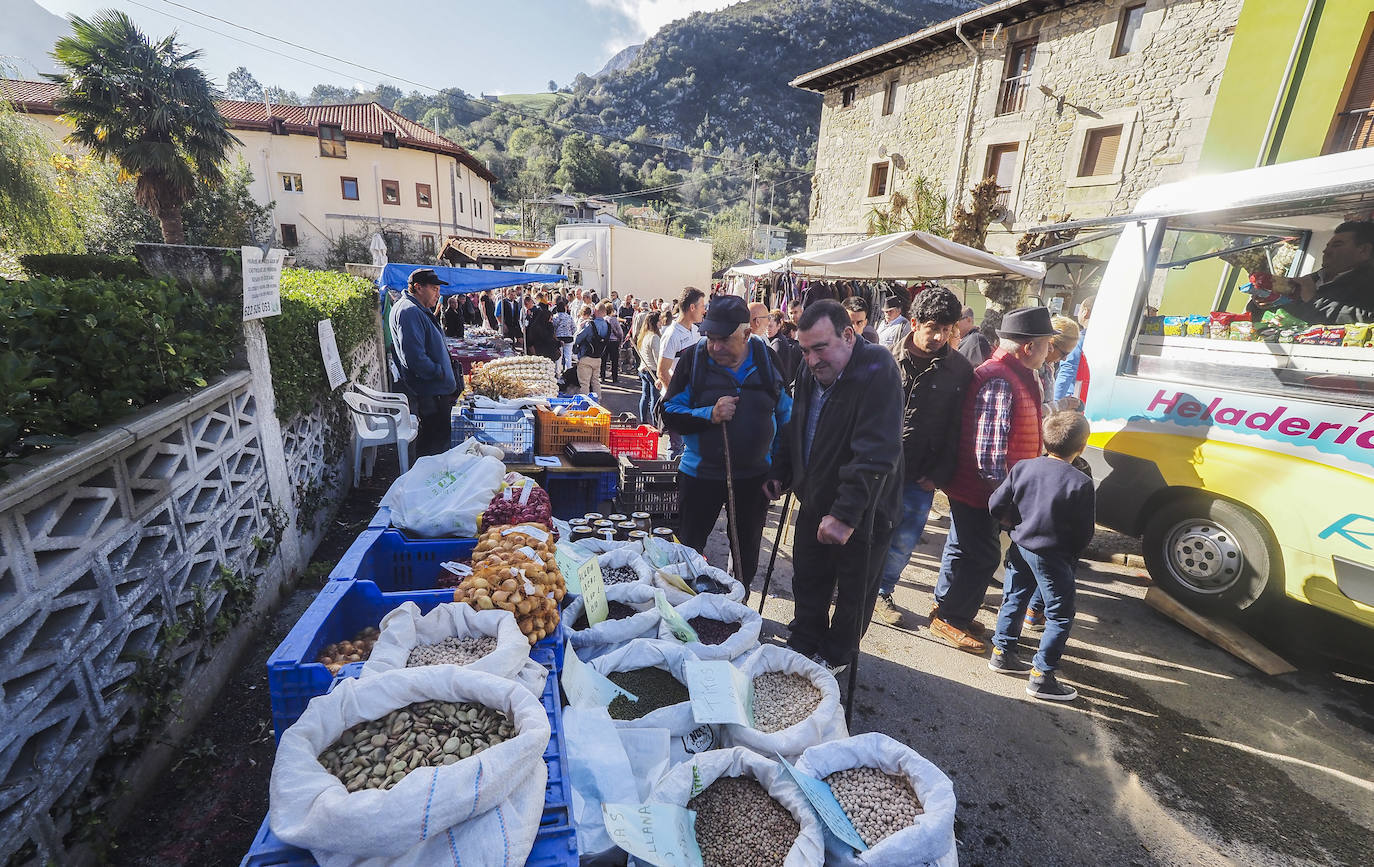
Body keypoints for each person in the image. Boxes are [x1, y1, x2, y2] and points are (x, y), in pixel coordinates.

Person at [765, 300, 902, 671]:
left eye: (820, 348)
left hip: (863, 507)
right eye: (805, 350)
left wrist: (844, 515)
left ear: (847, 334)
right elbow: (799, 424)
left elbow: (876, 449)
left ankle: (836, 654)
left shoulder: (878, 367)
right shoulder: (812, 370)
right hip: (813, 496)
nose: (811, 360)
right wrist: (782, 470)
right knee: (808, 576)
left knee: (854, 591)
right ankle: (805, 637)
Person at [931, 306, 1056, 653]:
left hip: (981, 490)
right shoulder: (1001, 377)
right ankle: (952, 619)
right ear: (1028, 347)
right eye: (1046, 344)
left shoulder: (1015, 373)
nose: (1049, 351)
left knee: (964, 547)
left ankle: (947, 607)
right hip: (981, 490)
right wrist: (1005, 500)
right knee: (983, 556)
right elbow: (989, 454)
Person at [664, 296, 791, 591]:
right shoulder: (695, 360)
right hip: (699, 476)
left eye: (724, 339)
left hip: (754, 478)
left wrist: (780, 473)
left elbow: (787, 417)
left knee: (746, 553)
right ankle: (683, 603)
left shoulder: (767, 359)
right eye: (710, 338)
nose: (715, 347)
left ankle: (737, 605)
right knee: (688, 550)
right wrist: (709, 414)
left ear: (747, 334)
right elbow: (669, 412)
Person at [872, 287, 973, 627]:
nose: (940, 336)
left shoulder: (960, 370)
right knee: (863, 529)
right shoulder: (882, 359)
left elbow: (958, 427)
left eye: (947, 329)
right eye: (933, 327)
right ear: (914, 322)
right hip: (876, 468)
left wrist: (940, 474)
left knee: (903, 539)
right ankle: (851, 586)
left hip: (921, 474)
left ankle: (881, 592)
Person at [987, 411, 1095, 702]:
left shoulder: (1024, 467)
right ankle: (1042, 676)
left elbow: (996, 503)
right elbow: (1084, 532)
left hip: (1020, 546)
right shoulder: (1081, 483)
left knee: (1014, 598)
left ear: (1045, 439)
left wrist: (1011, 525)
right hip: (1054, 555)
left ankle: (1002, 653)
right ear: (1082, 447)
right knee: (1060, 615)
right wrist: (1070, 555)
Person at [388, 269, 459, 457]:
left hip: (434, 392)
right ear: (418, 288)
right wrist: (439, 372)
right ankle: (429, 483)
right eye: (434, 289)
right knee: (433, 449)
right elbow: (414, 358)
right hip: (430, 394)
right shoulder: (409, 311)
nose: (438, 294)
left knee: (435, 445)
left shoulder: (416, 309)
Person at [1260, 220, 1374, 325]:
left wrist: (1313, 299)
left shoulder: (1367, 286)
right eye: (1327, 246)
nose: (1326, 251)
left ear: (1364, 250)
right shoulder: (1312, 279)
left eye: (1337, 245)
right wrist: (1269, 300)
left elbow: (1363, 319)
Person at [658, 287, 707, 456]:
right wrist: (678, 397)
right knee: (676, 449)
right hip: (678, 403)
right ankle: (672, 482)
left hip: (692, 401)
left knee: (691, 448)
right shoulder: (672, 334)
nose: (704, 310)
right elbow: (663, 372)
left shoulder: (695, 331)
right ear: (692, 307)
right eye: (702, 306)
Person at [1053, 296, 1093, 402]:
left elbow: (1067, 371)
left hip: (1071, 397)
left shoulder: (1079, 340)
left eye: (1080, 309)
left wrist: (1056, 402)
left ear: (1085, 312)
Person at [1039, 315, 1081, 402]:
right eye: (1063, 354)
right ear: (1050, 344)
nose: (1064, 359)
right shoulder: (1032, 368)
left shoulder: (1048, 368)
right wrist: (1059, 406)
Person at [573, 303, 610, 395]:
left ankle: (585, 404)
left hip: (586, 356)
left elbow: (578, 338)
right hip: (598, 357)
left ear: (596, 311)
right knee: (596, 382)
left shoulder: (590, 325)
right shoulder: (608, 325)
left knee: (584, 383)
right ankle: (598, 402)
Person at [636, 311, 663, 423]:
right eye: (660, 320)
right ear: (656, 322)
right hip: (652, 371)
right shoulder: (654, 337)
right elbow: (658, 358)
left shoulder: (644, 336)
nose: (661, 322)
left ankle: (643, 421)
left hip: (643, 369)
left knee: (645, 396)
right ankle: (655, 423)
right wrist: (662, 373)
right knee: (654, 399)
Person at [767, 309, 802, 392]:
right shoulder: (777, 340)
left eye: (770, 326)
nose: (767, 329)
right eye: (766, 326)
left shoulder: (777, 343)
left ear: (778, 326)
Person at [601, 300, 624, 384]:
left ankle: (602, 376)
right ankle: (615, 378)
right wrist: (620, 341)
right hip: (614, 342)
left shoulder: (603, 319)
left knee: (603, 360)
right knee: (614, 361)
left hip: (605, 341)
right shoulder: (614, 319)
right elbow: (620, 332)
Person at [552, 298, 575, 373]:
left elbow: (553, 328)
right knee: (568, 356)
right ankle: (568, 372)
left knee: (559, 356)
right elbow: (574, 328)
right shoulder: (569, 317)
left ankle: (557, 372)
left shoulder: (555, 317)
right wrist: (570, 333)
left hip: (558, 338)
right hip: (569, 338)